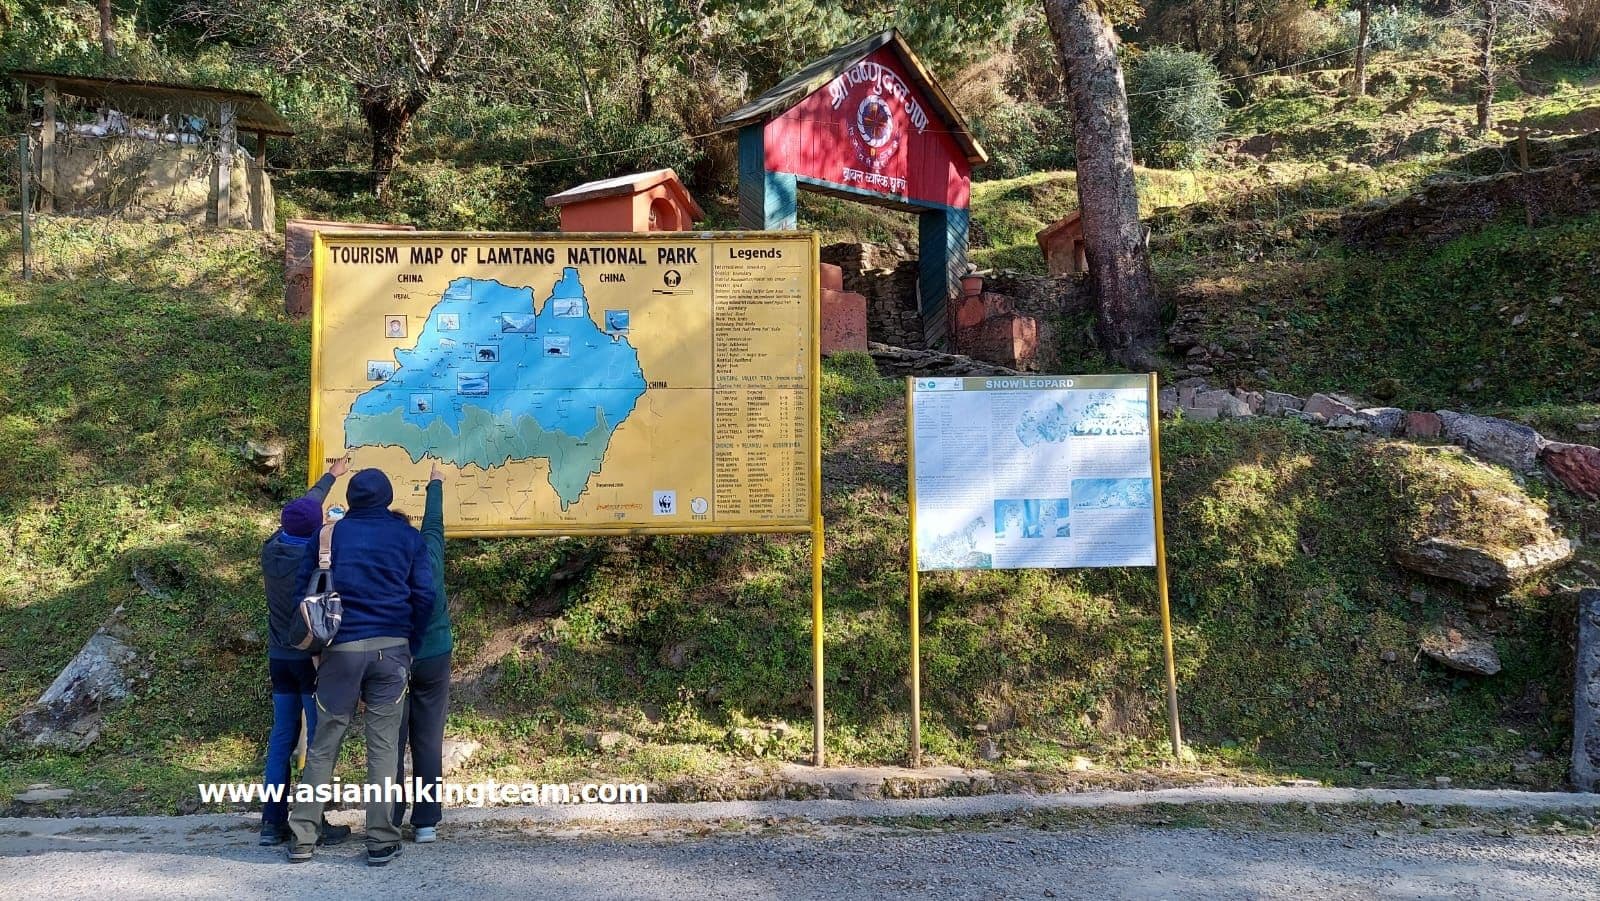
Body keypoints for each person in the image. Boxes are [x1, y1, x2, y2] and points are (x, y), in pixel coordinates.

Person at [286, 468, 436, 867]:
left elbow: (304, 594)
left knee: (324, 744)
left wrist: (316, 651)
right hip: (392, 650)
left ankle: (303, 835)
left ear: (350, 498)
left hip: (339, 650)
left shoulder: (328, 535)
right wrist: (411, 643)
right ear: (387, 497)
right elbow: (425, 595)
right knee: (384, 747)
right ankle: (381, 840)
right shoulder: (408, 537)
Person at [258, 456, 352, 847]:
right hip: (312, 659)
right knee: (317, 742)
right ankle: (313, 820)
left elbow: (301, 510)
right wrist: (334, 528)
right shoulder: (313, 561)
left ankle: (270, 823)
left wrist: (331, 475)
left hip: (279, 659)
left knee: (281, 738)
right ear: (316, 531)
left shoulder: (271, 549)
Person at [393, 462, 453, 843]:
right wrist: (435, 485)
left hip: (395, 656)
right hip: (434, 654)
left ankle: (391, 815)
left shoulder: (387, 563)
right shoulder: (429, 551)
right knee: (428, 739)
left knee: (391, 739)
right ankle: (426, 822)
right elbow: (434, 523)